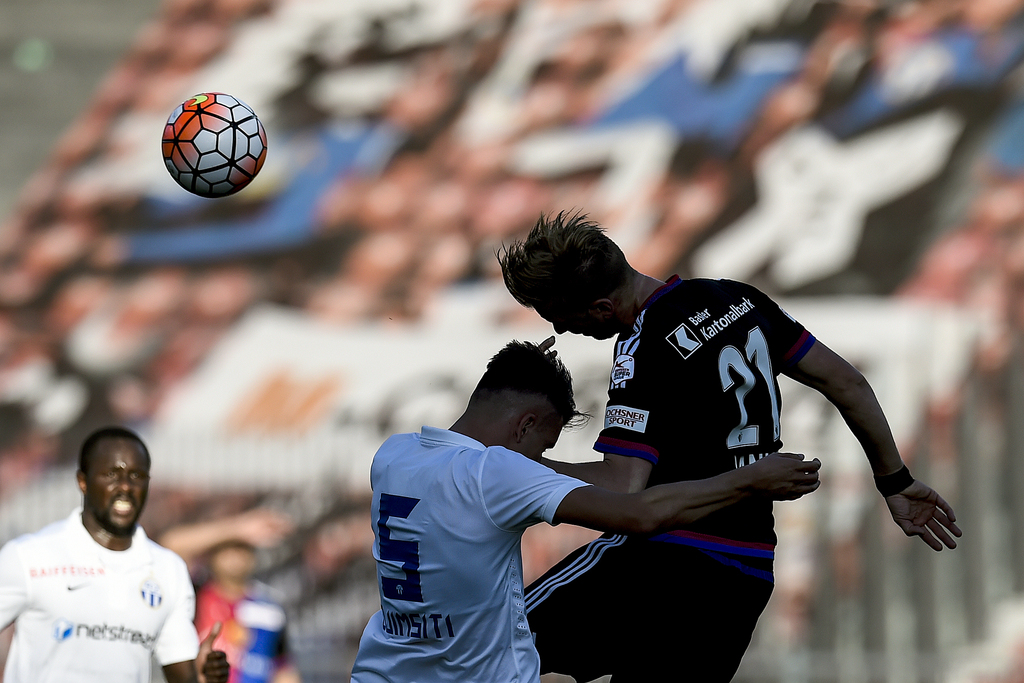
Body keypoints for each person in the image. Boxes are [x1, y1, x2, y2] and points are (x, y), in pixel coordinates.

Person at [498, 211, 962, 682]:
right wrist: (895, 480)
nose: (559, 332)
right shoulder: (737, 298)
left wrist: (513, 466)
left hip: (663, 564)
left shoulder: (644, 345)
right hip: (744, 573)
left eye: (561, 318)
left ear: (600, 308)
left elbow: (621, 485)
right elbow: (849, 382)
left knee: (487, 645)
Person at [349, 340, 821, 683]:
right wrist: (747, 480)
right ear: (526, 424)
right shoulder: (494, 474)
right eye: (544, 444)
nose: (541, 457)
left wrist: (529, 369)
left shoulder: (395, 455)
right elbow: (638, 514)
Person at [0, 425, 230, 683]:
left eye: (137, 476)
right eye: (111, 474)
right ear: (83, 481)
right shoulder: (29, 556)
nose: (125, 487)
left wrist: (203, 676)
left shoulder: (168, 569)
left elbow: (183, 675)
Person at [159, 509, 301, 683]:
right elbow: (170, 545)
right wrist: (238, 528)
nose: (235, 555)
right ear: (212, 555)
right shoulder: (195, 594)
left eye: (242, 547)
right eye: (227, 547)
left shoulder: (269, 610)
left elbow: (282, 668)